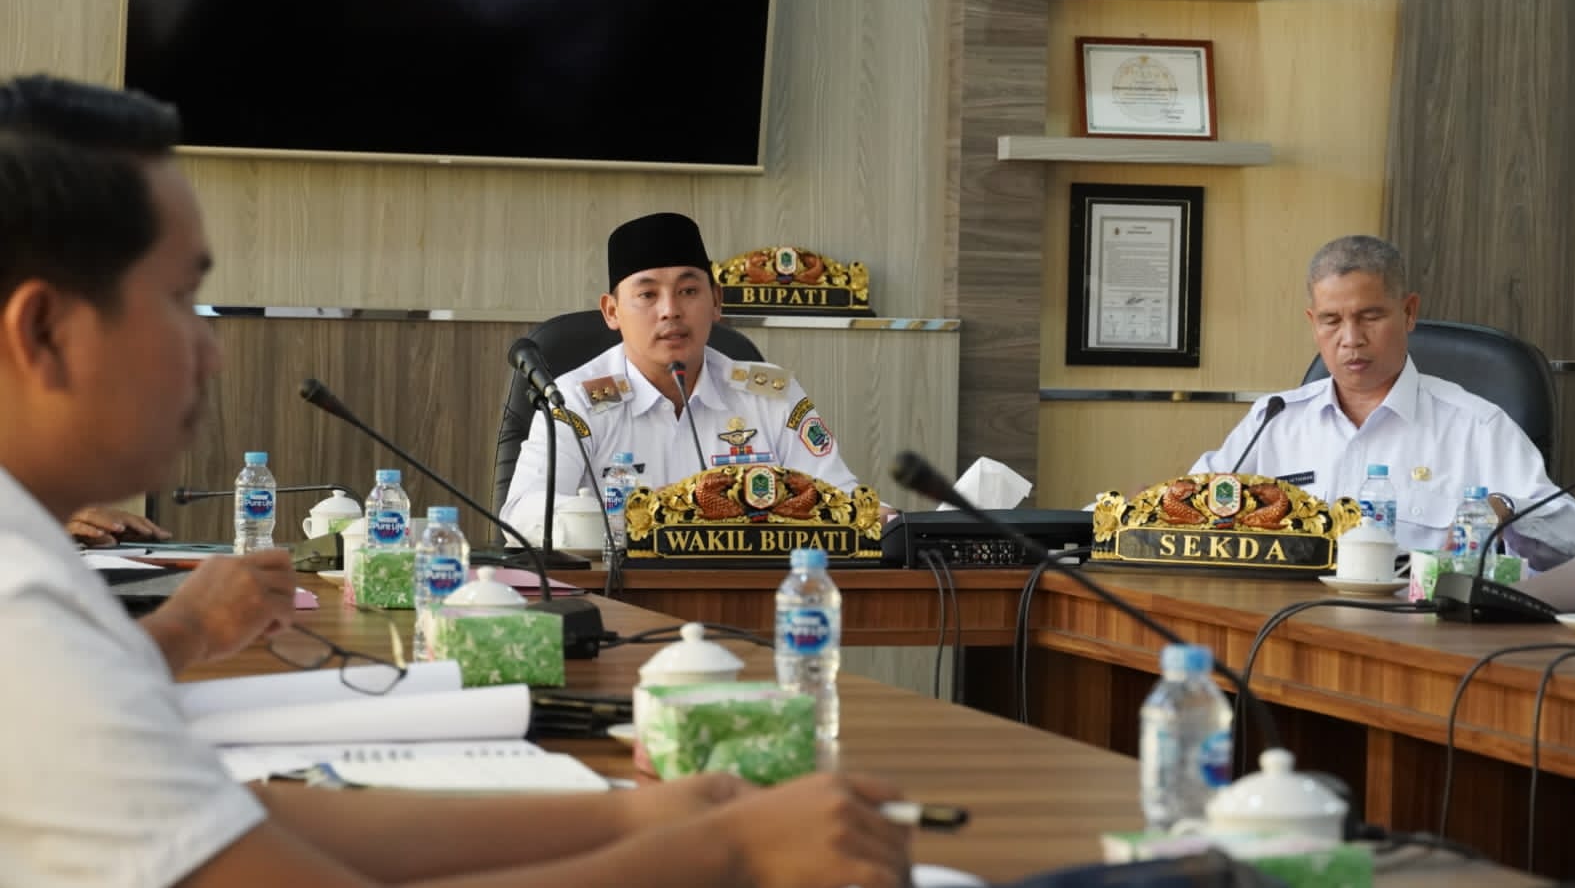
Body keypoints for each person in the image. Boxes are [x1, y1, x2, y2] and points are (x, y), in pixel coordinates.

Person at [0, 73, 911, 887]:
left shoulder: (31, 576)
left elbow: (258, 821)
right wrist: (729, 852)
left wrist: (642, 816)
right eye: (178, 299)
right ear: (42, 332)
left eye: (689, 289)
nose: (213, 349)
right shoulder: (21, 612)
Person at [1190, 235, 1575, 569]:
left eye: (1370, 317)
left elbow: (1568, 535)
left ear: (1409, 312)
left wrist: (1503, 508)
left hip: (1416, 622)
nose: (1351, 339)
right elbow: (1192, 508)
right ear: (1313, 322)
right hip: (1286, 617)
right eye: (1331, 320)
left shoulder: (1475, 425)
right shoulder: (1275, 419)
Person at [500, 211, 863, 538]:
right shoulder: (575, 401)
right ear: (612, 312)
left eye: (688, 291)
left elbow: (844, 502)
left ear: (716, 301)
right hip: (620, 589)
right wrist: (646, 516)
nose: (670, 310)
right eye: (647, 295)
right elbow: (523, 516)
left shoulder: (770, 395)